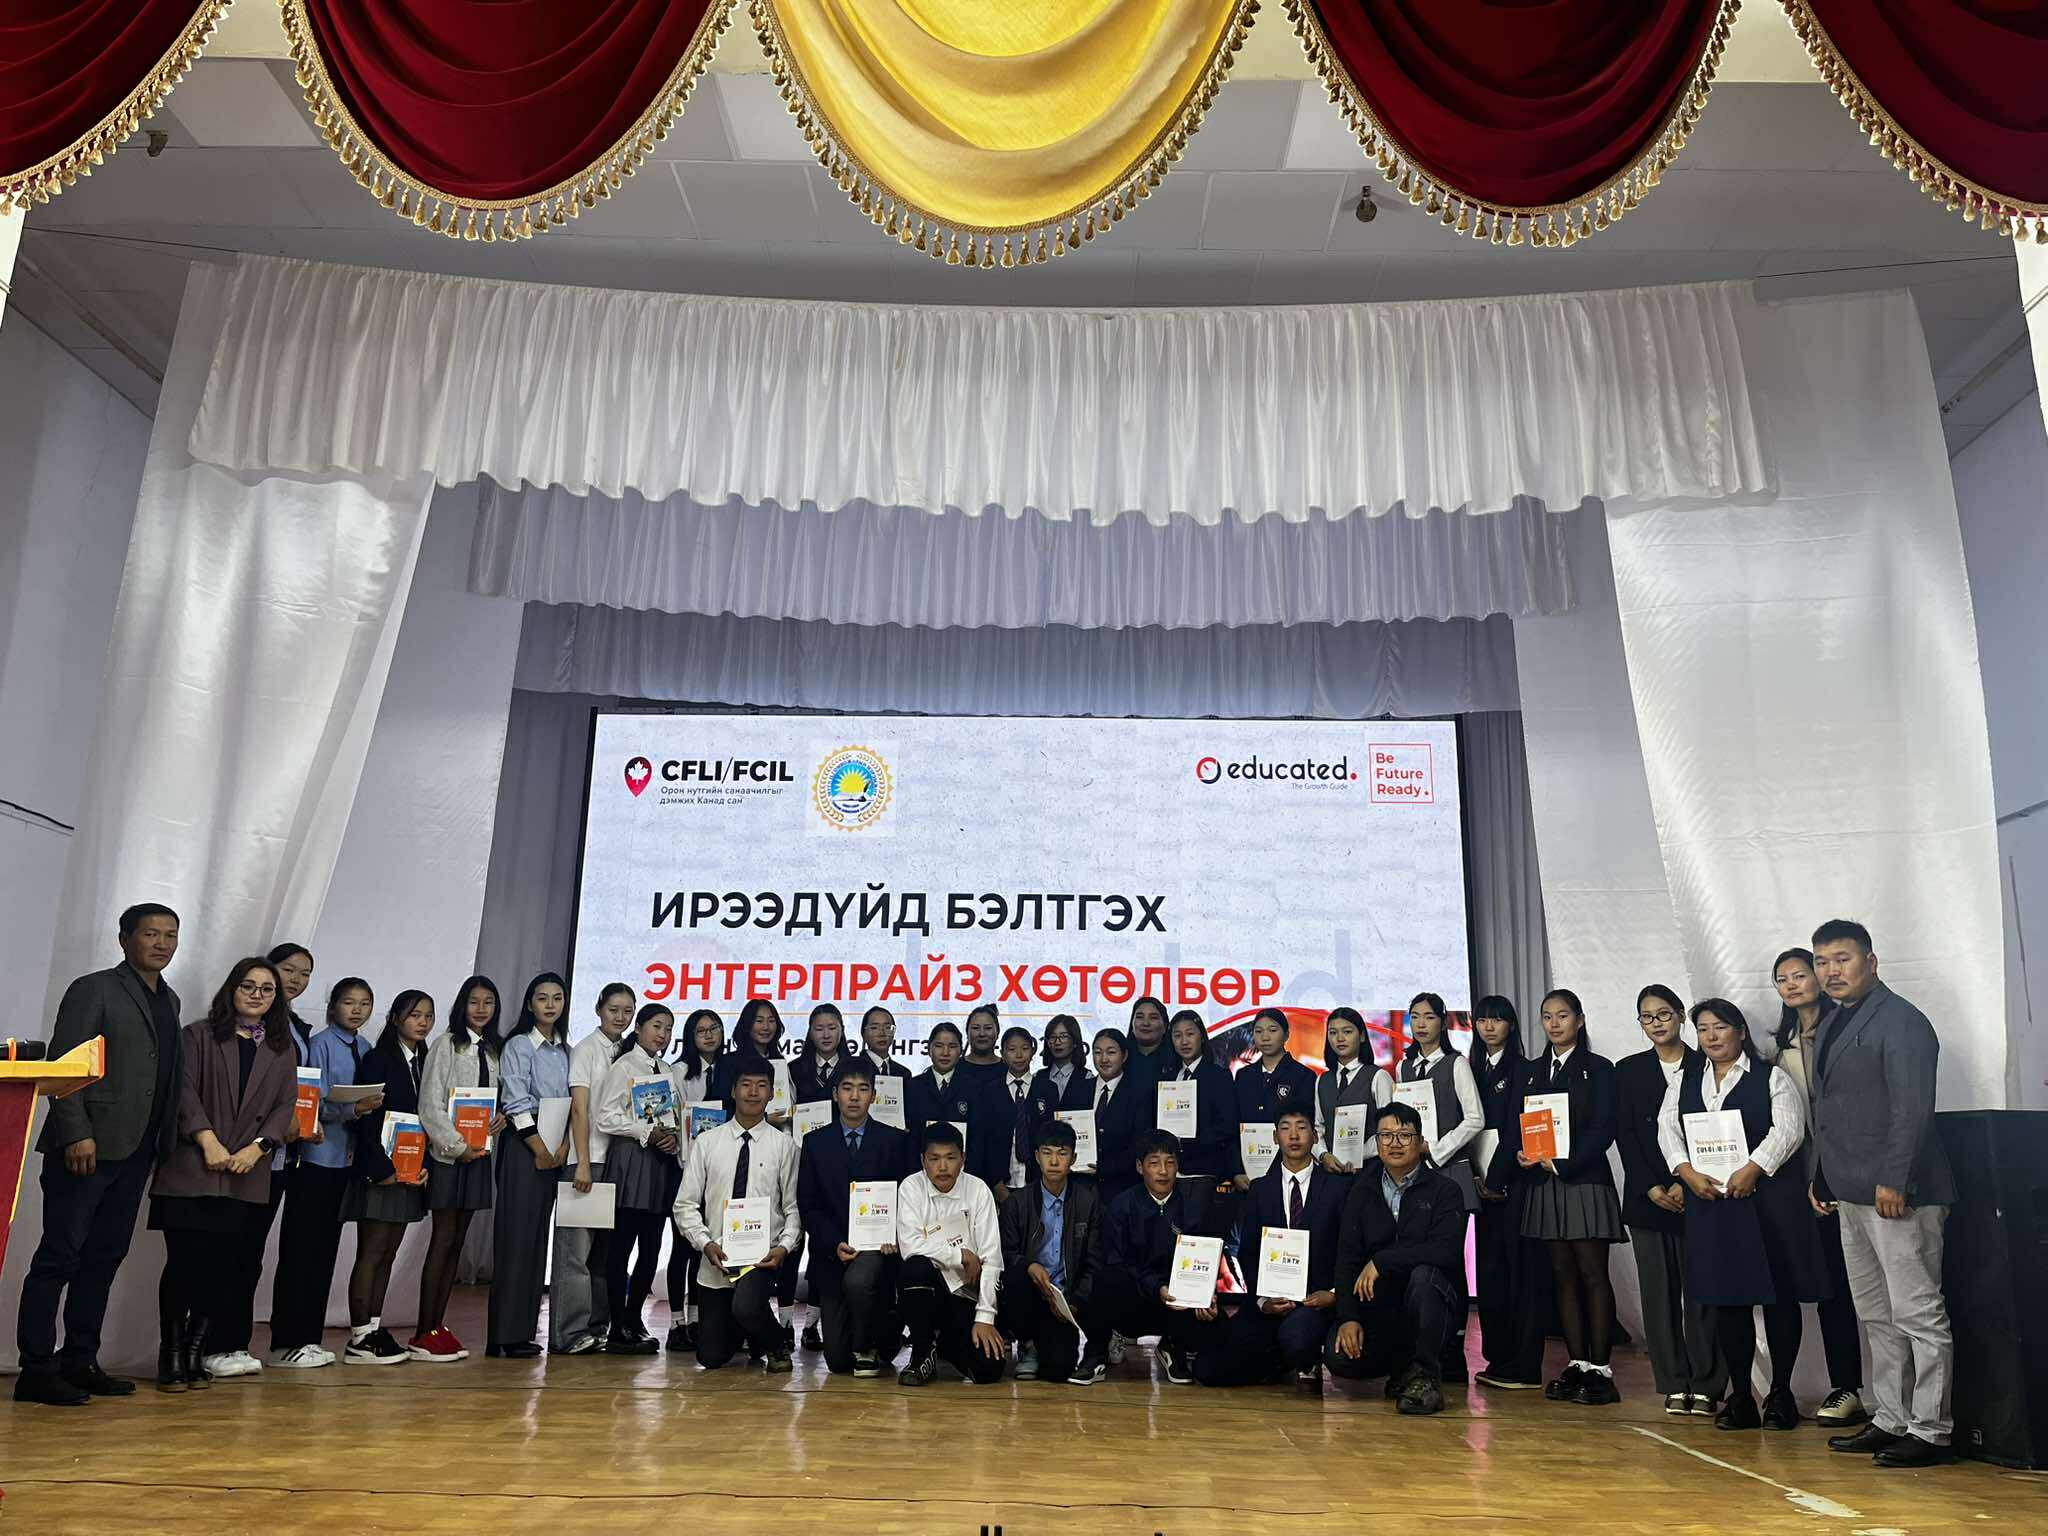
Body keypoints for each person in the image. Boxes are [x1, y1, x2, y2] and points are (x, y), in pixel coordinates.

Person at [15, 903, 183, 1406]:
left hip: (138, 1151)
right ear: (124, 939)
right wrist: (76, 1133)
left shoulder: (169, 999)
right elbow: (65, 1064)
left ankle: (80, 1360)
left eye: (170, 935)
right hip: (86, 1147)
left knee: (104, 1258)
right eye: (150, 934)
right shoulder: (94, 988)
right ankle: (35, 1369)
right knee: (59, 1257)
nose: (161, 943)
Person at [1807, 919, 1958, 1468]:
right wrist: (1822, 1176)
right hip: (1850, 1191)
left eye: (1842, 959)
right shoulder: (1831, 1021)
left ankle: (1932, 1430)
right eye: (1822, 961)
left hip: (1901, 1193)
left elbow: (1912, 1109)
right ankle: (1892, 1417)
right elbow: (1832, 1110)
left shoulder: (1903, 1021)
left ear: (1871, 962)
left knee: (1918, 1313)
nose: (1831, 971)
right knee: (1875, 1313)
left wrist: (1896, 1179)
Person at [1661, 998, 1826, 1432]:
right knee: (1727, 1300)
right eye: (1703, 1029)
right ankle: (1740, 1397)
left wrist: (1754, 1168)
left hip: (1769, 1204)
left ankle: (1781, 1393)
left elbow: (1788, 1130)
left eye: (1720, 1027)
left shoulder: (1771, 1076)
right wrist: (1685, 1172)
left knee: (1780, 1297)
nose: (1711, 1036)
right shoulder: (1684, 1080)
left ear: (1741, 1031)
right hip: (1713, 1205)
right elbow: (1668, 1129)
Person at [149, 956, 298, 1392]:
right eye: (248, 985)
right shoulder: (197, 1034)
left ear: (276, 998)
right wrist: (207, 1140)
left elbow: (285, 1105)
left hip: (245, 1172)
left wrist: (258, 1148)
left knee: (224, 1269)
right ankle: (171, 1354)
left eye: (267, 989)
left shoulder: (281, 1047)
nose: (256, 994)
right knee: (184, 1265)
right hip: (193, 1167)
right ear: (232, 989)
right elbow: (182, 1092)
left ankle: (196, 1351)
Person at [1510, 988, 1625, 1405]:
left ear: (1579, 1019)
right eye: (1547, 1016)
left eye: (1562, 1015)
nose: (1554, 1023)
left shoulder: (1600, 1068)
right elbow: (1521, 1122)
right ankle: (1577, 1362)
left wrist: (1564, 1163)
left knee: (1593, 1274)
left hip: (1583, 1179)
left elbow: (1604, 1127)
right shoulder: (1531, 1071)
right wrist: (1523, 1153)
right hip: (1543, 1184)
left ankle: (1601, 1368)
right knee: (1562, 1276)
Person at [205, 942, 316, 1372]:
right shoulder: (210, 1034)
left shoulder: (290, 1032)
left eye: (305, 973)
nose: (295, 980)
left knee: (250, 1254)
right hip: (228, 1154)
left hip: (275, 1158)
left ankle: (236, 1344)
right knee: (222, 1254)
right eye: (288, 970)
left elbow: (289, 1096)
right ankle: (213, 1345)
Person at [1771, 945, 1869, 1428]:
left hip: (1844, 1178)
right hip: (1799, 1184)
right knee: (1820, 1284)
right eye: (1782, 979)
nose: (1792, 985)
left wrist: (1827, 1176)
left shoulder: (1846, 1031)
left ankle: (1853, 1387)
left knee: (1850, 1288)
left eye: (1799, 975)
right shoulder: (1780, 1048)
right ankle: (1822, 1386)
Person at [1617, 983, 1725, 1416]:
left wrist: (1686, 1180)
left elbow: (1716, 1128)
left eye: (1664, 1013)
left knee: (1703, 1291)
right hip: (1647, 1198)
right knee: (1658, 1296)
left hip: (1698, 1192)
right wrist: (1651, 1186)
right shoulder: (1628, 1070)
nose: (1656, 1023)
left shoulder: (1707, 1064)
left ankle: (1707, 1383)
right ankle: (1673, 1382)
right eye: (1647, 1016)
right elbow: (1625, 1135)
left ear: (1681, 1015)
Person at [269, 977, 382, 1370]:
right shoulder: (319, 1044)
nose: (357, 1010)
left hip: (346, 1162)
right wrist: (352, 1109)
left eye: (364, 1003)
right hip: (314, 1159)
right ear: (332, 1006)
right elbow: (308, 1102)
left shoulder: (365, 1048)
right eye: (349, 1002)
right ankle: (287, 1340)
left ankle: (309, 1338)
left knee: (325, 1253)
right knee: (301, 1252)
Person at [1326, 1102, 1466, 1415]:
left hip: (1432, 1305)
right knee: (1339, 1357)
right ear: (1376, 1143)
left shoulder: (1445, 1190)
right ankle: (1403, 1370)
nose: (1395, 1143)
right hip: (1381, 1309)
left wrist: (1383, 1261)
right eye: (1386, 1135)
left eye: (1404, 1135)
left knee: (1424, 1276)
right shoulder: (1361, 1191)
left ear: (1420, 1141)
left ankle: (1425, 1376)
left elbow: (1446, 1251)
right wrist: (1348, 1317)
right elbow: (1347, 1258)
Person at [1197, 1105, 1345, 1390]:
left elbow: (1347, 1250)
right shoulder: (1260, 1189)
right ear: (1275, 1137)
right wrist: (1263, 1301)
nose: (1294, 1135)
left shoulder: (1338, 1189)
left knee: (1297, 1337)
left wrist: (1334, 1294)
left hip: (1316, 1303)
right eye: (1286, 1128)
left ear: (1315, 1136)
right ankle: (1277, 1360)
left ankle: (1301, 1357)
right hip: (1269, 1303)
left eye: (1302, 1127)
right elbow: (1248, 1252)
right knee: (1208, 1369)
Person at [675, 1060, 800, 1371]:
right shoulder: (707, 1142)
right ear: (733, 1090)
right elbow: (684, 1205)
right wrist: (705, 1244)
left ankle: (776, 1342)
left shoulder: (784, 1146)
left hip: (761, 1258)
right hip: (716, 1259)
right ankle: (749, 1329)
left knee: (746, 1305)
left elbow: (793, 1208)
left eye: (761, 1086)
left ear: (771, 1094)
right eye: (746, 1084)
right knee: (710, 1357)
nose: (753, 1092)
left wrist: (783, 1248)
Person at [1079, 1129, 1231, 1385]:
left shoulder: (1194, 1204)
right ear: (1140, 1167)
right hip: (1137, 1299)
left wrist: (1206, 1295)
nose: (1163, 1171)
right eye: (1154, 1163)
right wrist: (1156, 1286)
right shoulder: (1122, 1205)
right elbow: (1118, 1261)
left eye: (1170, 1162)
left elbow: (1205, 1257)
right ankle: (1095, 1355)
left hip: (1178, 1302)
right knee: (1106, 1279)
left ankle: (1173, 1346)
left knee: (1219, 1327)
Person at [798, 1057, 913, 1376]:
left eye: (863, 1089)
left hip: (879, 1250)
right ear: (835, 1094)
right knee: (837, 1362)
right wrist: (834, 1242)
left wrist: (895, 1236)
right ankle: (867, 1337)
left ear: (874, 1096)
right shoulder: (814, 1142)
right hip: (833, 1253)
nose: (854, 1096)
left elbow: (907, 1199)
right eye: (847, 1088)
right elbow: (808, 1205)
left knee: (862, 1282)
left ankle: (871, 1345)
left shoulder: (895, 1141)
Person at [340, 989, 434, 1365]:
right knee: (372, 1252)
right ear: (395, 1018)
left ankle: (374, 1329)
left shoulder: (424, 1062)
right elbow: (366, 1120)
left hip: (410, 1172)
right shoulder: (378, 1059)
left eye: (428, 1016)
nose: (422, 1022)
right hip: (380, 1173)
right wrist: (382, 1170)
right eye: (414, 1015)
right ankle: (359, 1336)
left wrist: (423, 1165)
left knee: (389, 1254)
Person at [412, 974, 498, 1362]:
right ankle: (422, 1331)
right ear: (462, 1005)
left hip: (479, 1156)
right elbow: (429, 1105)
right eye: (474, 1002)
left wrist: (498, 1121)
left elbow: (491, 1102)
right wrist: (457, 1146)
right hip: (449, 1156)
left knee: (458, 1243)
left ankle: (437, 1325)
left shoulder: (492, 1050)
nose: (481, 1009)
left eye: (488, 1003)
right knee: (443, 1239)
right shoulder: (446, 1044)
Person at [1469, 996, 1552, 1392]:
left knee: (1522, 1273)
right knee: (1490, 1274)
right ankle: (1497, 1357)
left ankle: (1524, 1363)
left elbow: (1522, 1128)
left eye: (1497, 1020)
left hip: (1516, 1185)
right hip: (1477, 1184)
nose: (1489, 1027)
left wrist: (1498, 1178)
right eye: (1482, 1020)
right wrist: (1476, 1179)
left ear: (1512, 1025)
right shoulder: (1468, 1069)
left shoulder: (1526, 1069)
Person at [487, 973, 571, 1358]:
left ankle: (521, 1332)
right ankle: (502, 1336)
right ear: (529, 1004)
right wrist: (538, 1147)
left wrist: (563, 1145)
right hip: (526, 1145)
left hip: (555, 1145)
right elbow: (515, 1100)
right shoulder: (520, 1044)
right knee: (516, 1239)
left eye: (557, 998)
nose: (550, 1005)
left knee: (537, 1242)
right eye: (542, 998)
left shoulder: (565, 1049)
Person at [594, 1004, 682, 1354]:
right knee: (621, 1247)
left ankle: (634, 1318)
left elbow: (674, 1116)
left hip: (660, 1163)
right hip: (631, 1160)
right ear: (639, 1028)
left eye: (668, 1028)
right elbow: (605, 1117)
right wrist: (645, 1132)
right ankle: (617, 1324)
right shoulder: (625, 1066)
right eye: (656, 1026)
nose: (663, 1034)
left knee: (652, 1248)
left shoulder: (667, 1070)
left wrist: (673, 1139)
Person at [554, 981, 634, 1356]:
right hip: (588, 1161)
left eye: (627, 1011)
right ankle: (568, 1334)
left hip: (617, 1163)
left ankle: (596, 1327)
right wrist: (583, 1163)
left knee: (602, 1254)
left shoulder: (628, 1051)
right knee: (575, 1253)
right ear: (599, 1009)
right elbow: (579, 1108)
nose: (620, 1017)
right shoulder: (586, 1049)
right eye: (613, 1009)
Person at [895, 1122, 1006, 1386]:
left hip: (966, 1296)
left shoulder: (978, 1190)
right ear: (923, 1160)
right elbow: (910, 1246)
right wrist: (959, 1255)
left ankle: (945, 1345)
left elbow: (992, 1259)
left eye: (950, 1158)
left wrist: (985, 1317)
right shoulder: (911, 1187)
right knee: (914, 1267)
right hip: (927, 1293)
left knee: (988, 1371)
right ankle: (922, 1352)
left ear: (963, 1159)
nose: (942, 1167)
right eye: (934, 1159)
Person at [997, 1119, 1102, 1384]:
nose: (1054, 1161)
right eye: (1047, 1153)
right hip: (1029, 1293)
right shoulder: (1017, 1203)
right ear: (1036, 1156)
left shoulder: (1088, 1202)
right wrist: (1029, 1266)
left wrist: (1075, 1301)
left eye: (1062, 1153)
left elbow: (1094, 1261)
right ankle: (1027, 1343)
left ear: (1073, 1158)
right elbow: (1005, 1254)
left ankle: (1048, 1344)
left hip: (1065, 1300)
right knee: (1016, 1275)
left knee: (1058, 1369)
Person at [665, 1007, 724, 1352]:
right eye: (701, 1030)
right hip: (684, 1168)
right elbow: (669, 1117)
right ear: (690, 1036)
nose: (709, 1035)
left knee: (706, 1246)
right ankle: (676, 1322)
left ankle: (698, 1319)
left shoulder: (728, 1069)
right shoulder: (679, 1072)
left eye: (714, 1028)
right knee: (682, 1248)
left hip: (720, 1171)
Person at [1233, 1009, 1319, 1174]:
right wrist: (1237, 1171)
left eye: (1272, 1030)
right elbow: (1234, 1125)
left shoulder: (1303, 1075)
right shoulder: (1244, 1076)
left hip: (1289, 1166)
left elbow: (1307, 1126)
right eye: (1259, 1031)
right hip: (1248, 1165)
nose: (1265, 1037)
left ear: (1286, 1035)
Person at [1160, 1010, 1238, 1186]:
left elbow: (1227, 1126)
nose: (1184, 1041)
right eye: (1177, 1036)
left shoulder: (1219, 1076)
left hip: (1205, 1171)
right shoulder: (1166, 1078)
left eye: (1190, 1034)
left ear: (1201, 1036)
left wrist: (1187, 1144)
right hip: (1167, 1172)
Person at [1314, 1005, 1393, 1175]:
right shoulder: (1322, 1080)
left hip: (1371, 1170)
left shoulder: (1378, 1077)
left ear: (1362, 1036)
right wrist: (1323, 1155)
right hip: (1331, 1172)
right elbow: (1317, 1127)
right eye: (1333, 1033)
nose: (1340, 1038)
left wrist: (1358, 1155)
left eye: (1347, 1032)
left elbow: (1389, 1129)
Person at [1086, 1027, 1151, 1208]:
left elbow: (1140, 1144)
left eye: (1111, 1052)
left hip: (1122, 1189)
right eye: (1097, 1052)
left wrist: (1105, 1168)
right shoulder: (1079, 1089)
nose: (1104, 1059)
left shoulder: (1139, 1094)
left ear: (1124, 1055)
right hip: (1081, 1188)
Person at [1025, 1013, 1092, 1162]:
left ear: (1075, 1041)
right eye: (1052, 1037)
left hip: (1077, 1156)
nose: (1057, 1042)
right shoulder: (1037, 1078)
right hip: (1042, 1158)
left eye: (1063, 1036)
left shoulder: (1088, 1078)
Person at [995, 1025, 1041, 1200]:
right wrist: (996, 1183)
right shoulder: (991, 1090)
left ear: (1033, 1051)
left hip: (1038, 1182)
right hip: (1001, 1184)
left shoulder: (1047, 1089)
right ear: (1002, 1053)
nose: (1019, 1055)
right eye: (1012, 1049)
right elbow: (984, 1139)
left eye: (1025, 1048)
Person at [791, 1002, 854, 1105]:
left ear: (842, 1030)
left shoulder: (854, 1068)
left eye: (832, 1028)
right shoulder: (794, 1069)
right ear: (810, 1033)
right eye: (819, 1029)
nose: (826, 1035)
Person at [1123, 995, 1173, 1087]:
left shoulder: (1176, 1062)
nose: (1146, 1023)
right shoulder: (1119, 1061)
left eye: (1153, 1017)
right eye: (1140, 1017)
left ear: (1165, 1026)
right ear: (1132, 1025)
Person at [859, 1005, 913, 1084]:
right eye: (874, 1028)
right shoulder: (852, 1068)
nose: (882, 1034)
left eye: (887, 1027)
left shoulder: (904, 1074)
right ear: (863, 1034)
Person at [959, 1003, 1005, 1088]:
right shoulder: (954, 1069)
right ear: (967, 1032)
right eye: (976, 1028)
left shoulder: (1010, 1070)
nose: (982, 1034)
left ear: (997, 1032)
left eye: (988, 1028)